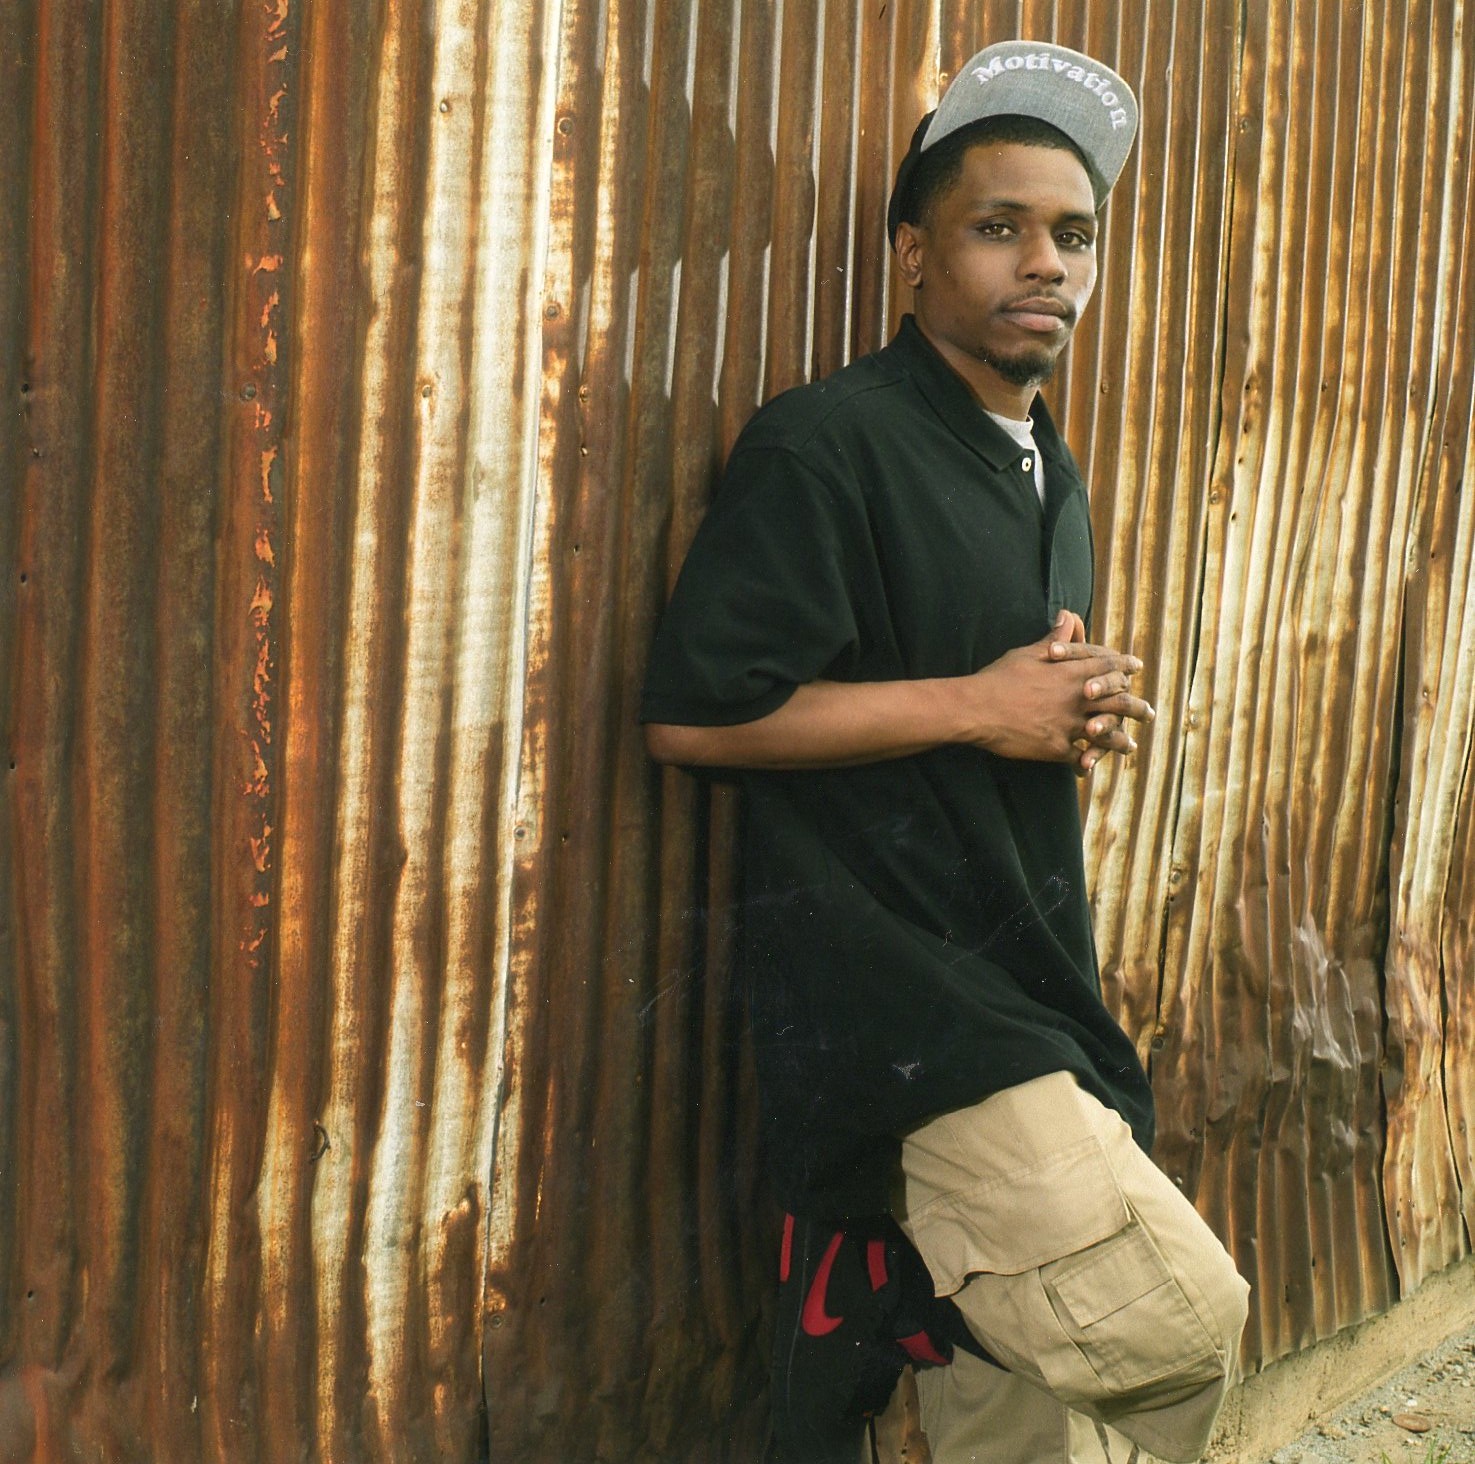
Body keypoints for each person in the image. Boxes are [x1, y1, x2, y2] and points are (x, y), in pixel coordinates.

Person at [641, 39, 1250, 1464]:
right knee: (1179, 1324)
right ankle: (899, 1303)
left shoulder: (1046, 464)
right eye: (1000, 227)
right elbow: (696, 712)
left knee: (1020, 1438)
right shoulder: (828, 445)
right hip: (908, 1012)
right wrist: (982, 707)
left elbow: (988, 701)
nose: (1047, 263)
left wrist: (1053, 717)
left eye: (1075, 235)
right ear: (915, 255)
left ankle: (919, 1313)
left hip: (1034, 980)